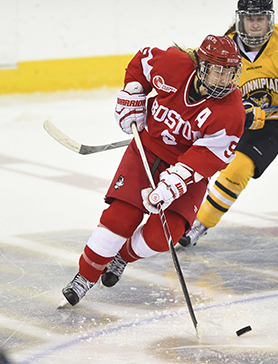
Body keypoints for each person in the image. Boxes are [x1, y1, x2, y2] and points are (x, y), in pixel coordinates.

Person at [61, 34, 246, 305]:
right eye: (217, 71)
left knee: (163, 237)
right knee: (120, 219)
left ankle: (121, 256)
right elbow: (141, 62)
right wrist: (133, 93)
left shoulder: (231, 112)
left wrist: (173, 184)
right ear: (201, 66)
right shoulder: (173, 64)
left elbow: (209, 156)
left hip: (189, 174)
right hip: (145, 153)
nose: (223, 80)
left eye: (229, 73)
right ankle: (85, 277)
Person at [177, 0, 278, 247]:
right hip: (227, 120)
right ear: (240, 19)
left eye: (260, 19)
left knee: (238, 169)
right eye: (250, 19)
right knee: (192, 164)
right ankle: (173, 214)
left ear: (270, 19)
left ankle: (201, 222)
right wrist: (235, 112)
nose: (255, 26)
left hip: (271, 125)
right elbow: (202, 87)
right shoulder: (225, 48)